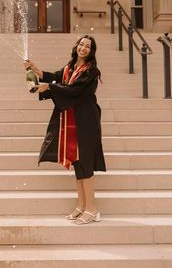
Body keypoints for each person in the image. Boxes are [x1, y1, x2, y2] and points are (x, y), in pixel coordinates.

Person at [24, 35, 106, 225]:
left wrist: (49, 88)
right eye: (81, 44)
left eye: (87, 46)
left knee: (85, 162)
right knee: (77, 162)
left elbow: (74, 91)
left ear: (91, 51)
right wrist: (35, 70)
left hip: (86, 121)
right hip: (72, 119)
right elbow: (55, 77)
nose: (83, 48)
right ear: (76, 46)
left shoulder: (91, 71)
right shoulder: (70, 68)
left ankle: (92, 209)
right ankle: (81, 205)